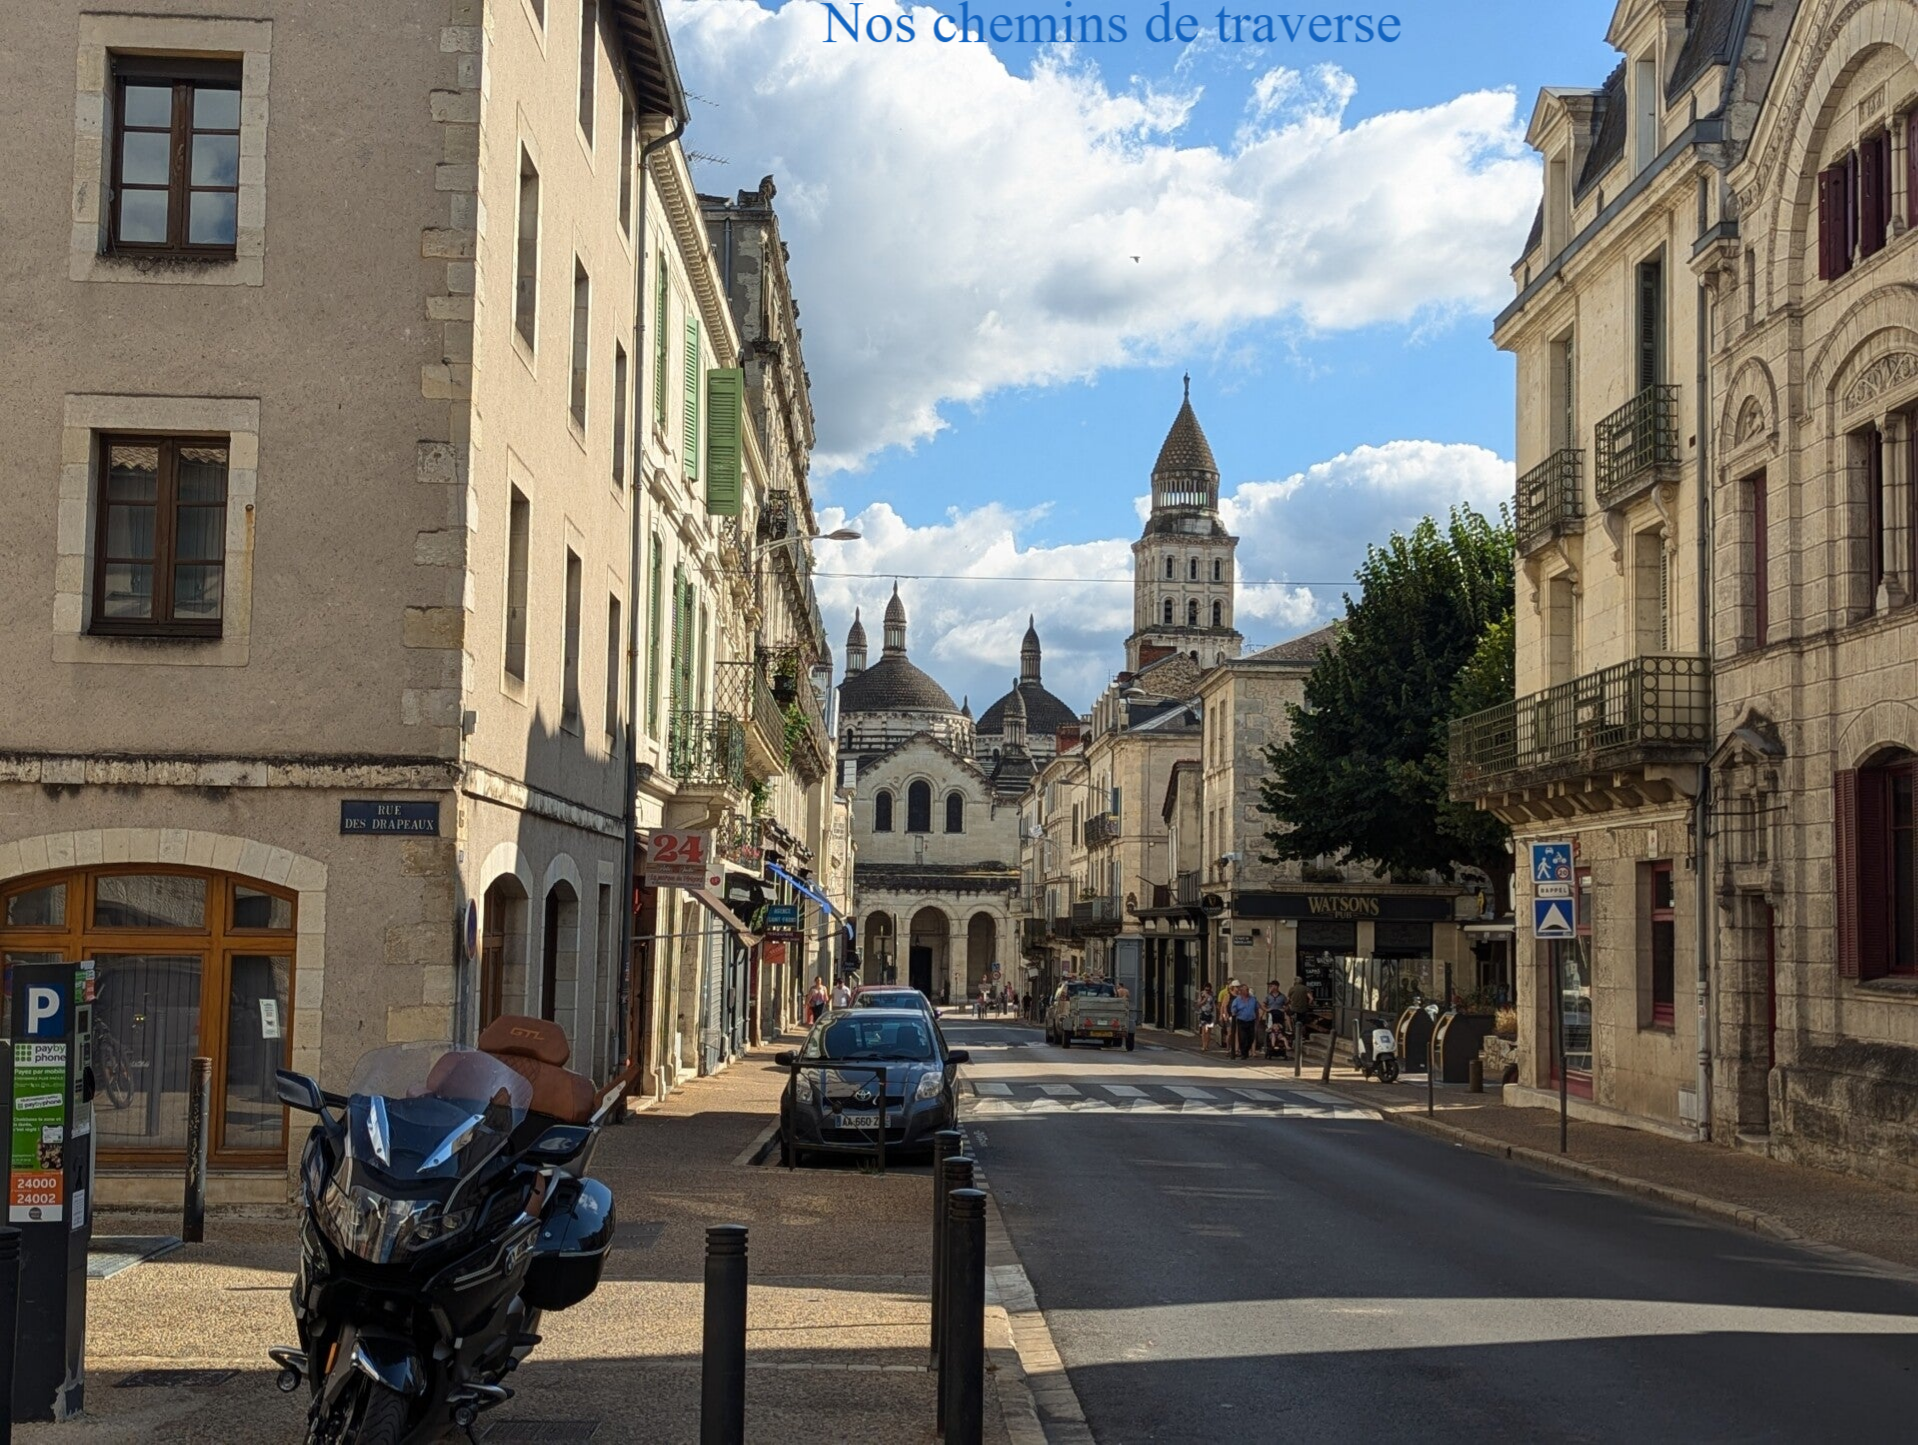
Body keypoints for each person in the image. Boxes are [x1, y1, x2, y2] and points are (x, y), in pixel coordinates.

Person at [1228, 983, 1259, 1060]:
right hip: (1241, 1021)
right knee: (1242, 1037)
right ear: (1241, 991)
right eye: (1246, 990)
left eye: (1248, 989)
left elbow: (1256, 1009)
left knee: (1251, 1037)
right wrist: (1234, 1013)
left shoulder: (1253, 999)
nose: (1247, 991)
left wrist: (1257, 1019)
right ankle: (1243, 1053)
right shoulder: (1237, 1000)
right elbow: (1233, 1009)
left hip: (1251, 1020)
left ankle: (1246, 1050)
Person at [1263, 980, 1289, 1058]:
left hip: (1279, 1015)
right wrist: (1266, 1010)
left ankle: (1282, 1046)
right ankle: (1271, 1045)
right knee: (1271, 1030)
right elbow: (1263, 1004)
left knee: (1280, 1029)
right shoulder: (1268, 996)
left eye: (1272, 986)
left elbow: (1287, 1005)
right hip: (1271, 1015)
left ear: (1276, 986)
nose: (1271, 987)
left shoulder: (1282, 996)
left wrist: (1284, 1009)